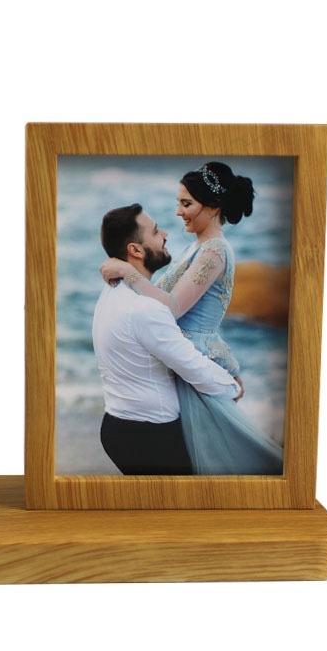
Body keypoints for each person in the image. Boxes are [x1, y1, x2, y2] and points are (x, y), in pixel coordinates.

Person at [100, 163, 283, 475]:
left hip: (195, 359)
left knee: (216, 463)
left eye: (186, 204)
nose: (178, 212)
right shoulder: (194, 248)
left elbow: (171, 307)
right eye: (178, 203)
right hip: (182, 359)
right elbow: (155, 299)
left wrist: (129, 272)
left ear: (213, 206)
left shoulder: (215, 251)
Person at [92, 203, 242, 475]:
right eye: (155, 231)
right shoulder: (145, 309)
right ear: (136, 250)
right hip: (150, 437)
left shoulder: (112, 294)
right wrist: (231, 386)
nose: (165, 235)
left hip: (117, 425)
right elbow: (193, 367)